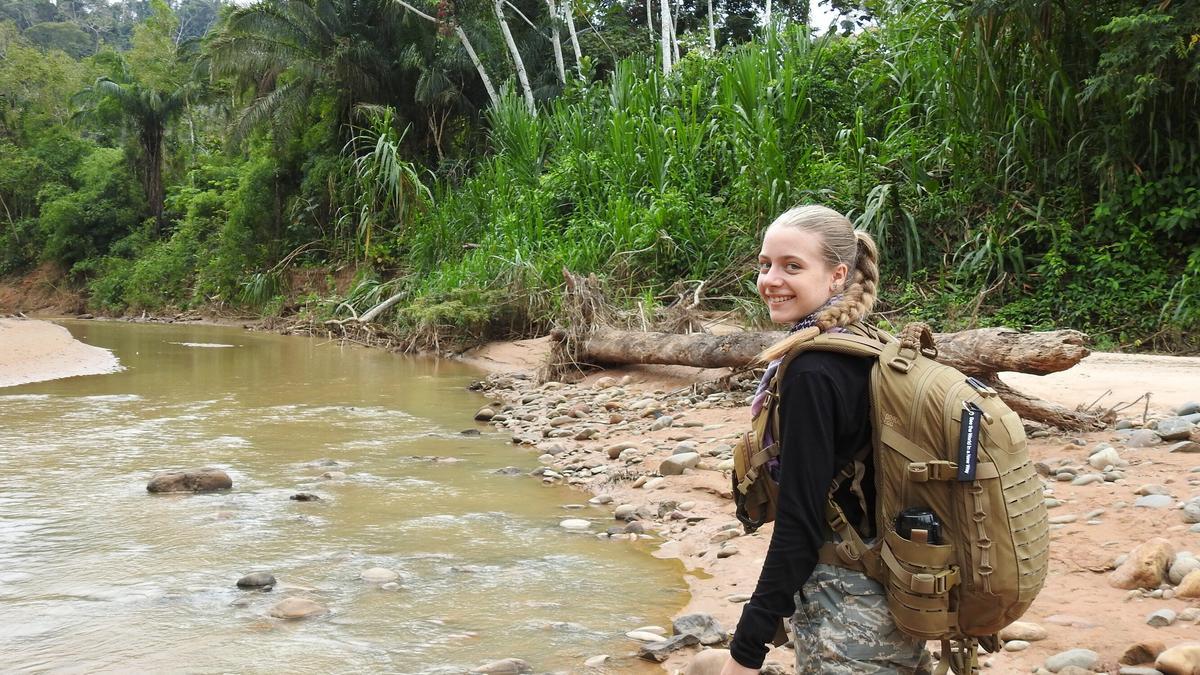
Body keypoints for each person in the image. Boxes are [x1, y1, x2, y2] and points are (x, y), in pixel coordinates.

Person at [720, 205, 932, 675]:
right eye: (765, 264)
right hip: (895, 592)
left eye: (792, 266)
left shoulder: (813, 371)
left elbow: (799, 527)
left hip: (849, 613)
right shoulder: (862, 341)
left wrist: (746, 650)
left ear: (838, 276)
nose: (771, 279)